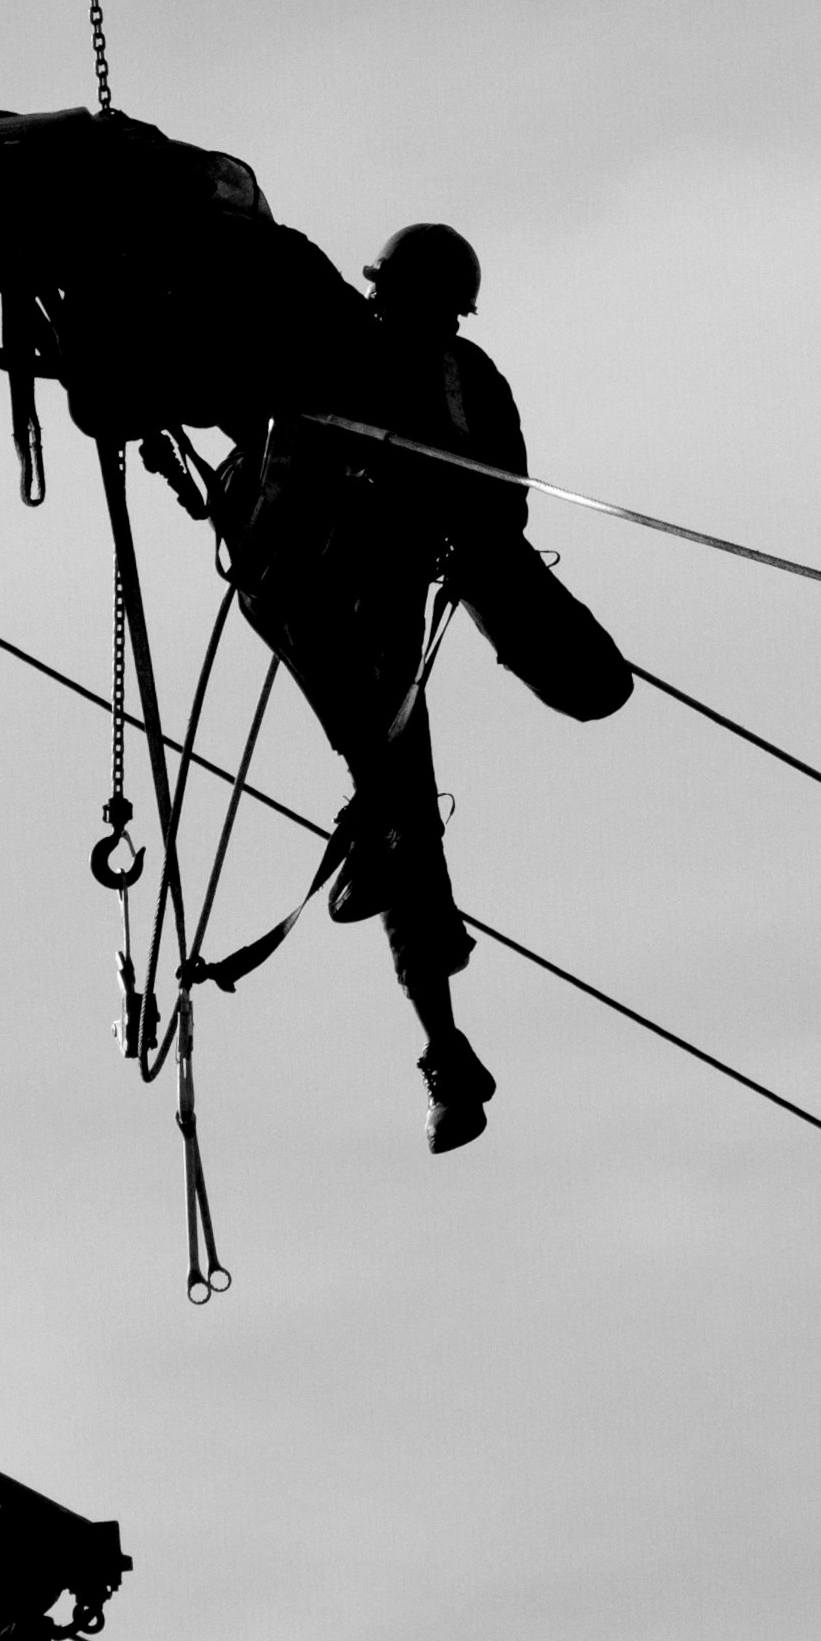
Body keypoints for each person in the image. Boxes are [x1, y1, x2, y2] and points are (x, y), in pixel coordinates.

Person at [200, 214, 631, 1154]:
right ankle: (442, 1045)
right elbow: (251, 397)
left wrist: (430, 495)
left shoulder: (464, 378)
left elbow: (502, 501)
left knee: (400, 804)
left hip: (388, 583)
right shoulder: (330, 343)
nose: (417, 318)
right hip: (308, 585)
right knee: (390, 802)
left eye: (431, 309)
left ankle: (443, 1047)